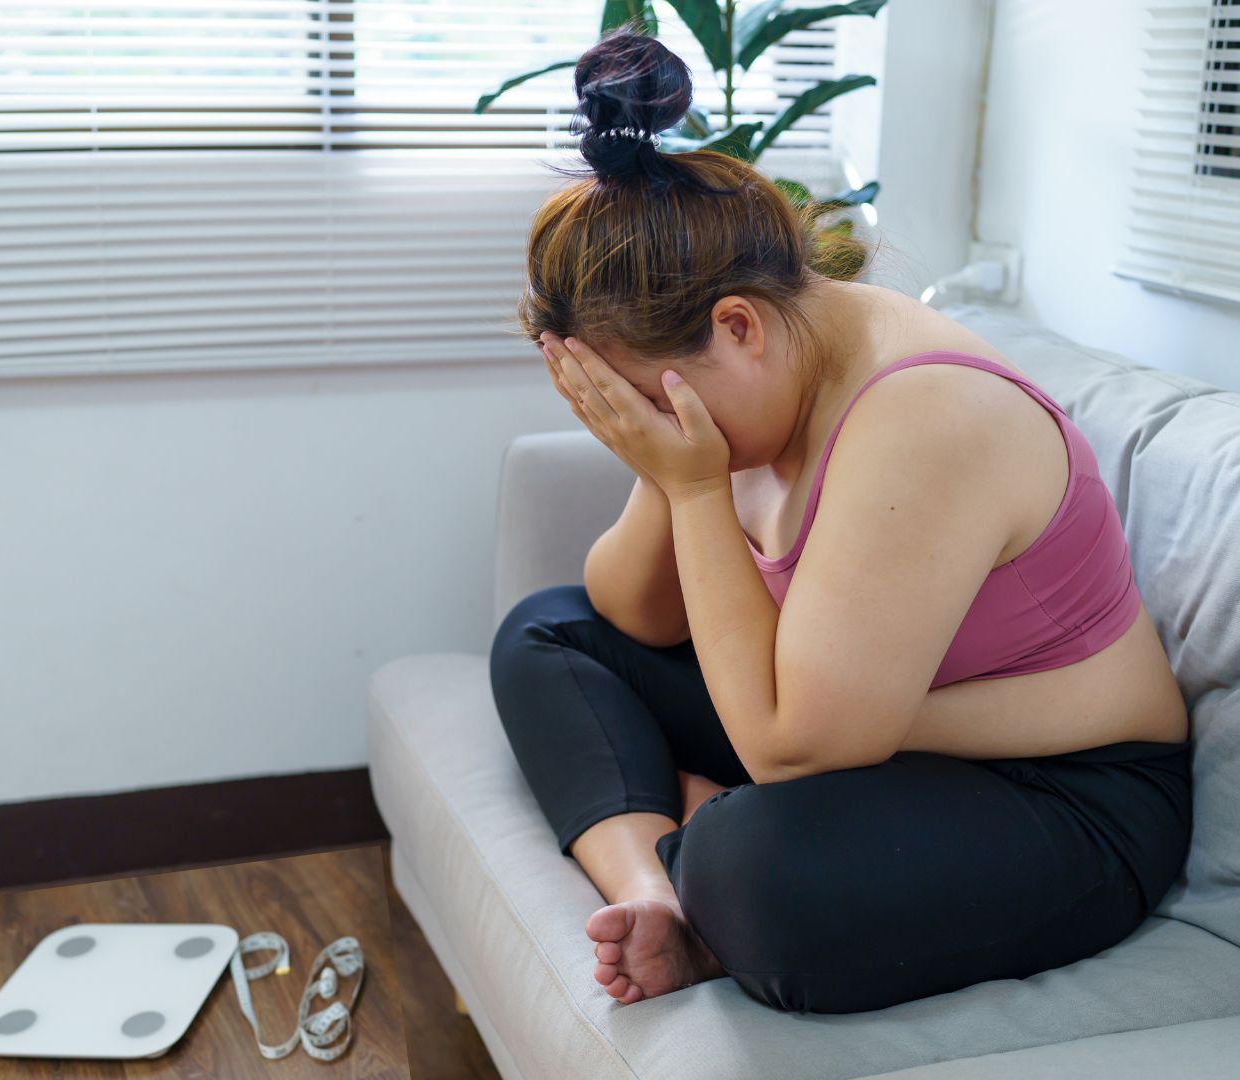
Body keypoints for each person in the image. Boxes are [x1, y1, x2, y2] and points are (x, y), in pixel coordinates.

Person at [488, 27, 1192, 1016]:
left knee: (754, 863)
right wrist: (663, 465)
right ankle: (654, 888)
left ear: (738, 327)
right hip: (853, 732)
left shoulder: (923, 415)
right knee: (549, 630)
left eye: (652, 398)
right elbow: (631, 616)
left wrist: (695, 489)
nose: (655, 428)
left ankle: (701, 853)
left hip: (1061, 798)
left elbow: (792, 753)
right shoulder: (763, 368)